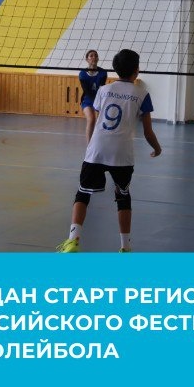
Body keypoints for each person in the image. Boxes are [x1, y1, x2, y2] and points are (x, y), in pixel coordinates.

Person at [57, 49, 162, 253]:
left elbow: (99, 117)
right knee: (123, 197)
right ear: (137, 70)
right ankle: (125, 248)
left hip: (97, 149)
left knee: (82, 194)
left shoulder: (103, 90)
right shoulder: (142, 94)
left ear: (115, 69)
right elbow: (148, 132)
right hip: (122, 153)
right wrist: (157, 148)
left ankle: (72, 241)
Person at [79, 49, 108, 143]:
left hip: (99, 99)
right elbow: (87, 91)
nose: (94, 57)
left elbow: (101, 88)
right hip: (87, 99)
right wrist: (95, 103)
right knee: (91, 119)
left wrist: (100, 103)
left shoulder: (103, 72)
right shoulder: (82, 73)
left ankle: (98, 142)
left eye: (95, 55)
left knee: (100, 122)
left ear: (98, 59)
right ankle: (89, 145)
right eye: (91, 56)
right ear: (87, 59)